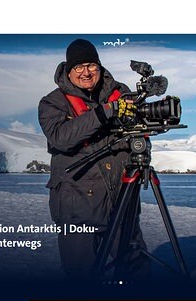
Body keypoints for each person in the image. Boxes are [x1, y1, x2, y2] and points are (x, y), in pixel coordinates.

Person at [38, 39, 150, 281]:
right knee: (82, 276)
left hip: (122, 201)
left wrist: (147, 104)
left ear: (100, 67)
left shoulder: (121, 92)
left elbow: (139, 130)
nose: (86, 72)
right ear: (69, 71)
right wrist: (105, 112)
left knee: (135, 270)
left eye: (91, 65)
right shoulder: (52, 102)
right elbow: (61, 137)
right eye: (79, 67)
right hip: (78, 206)